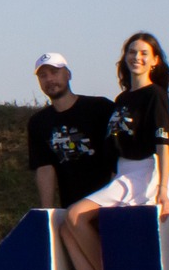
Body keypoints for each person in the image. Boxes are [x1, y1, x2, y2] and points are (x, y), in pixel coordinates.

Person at [64, 32, 169, 270]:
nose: (136, 57)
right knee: (66, 229)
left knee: (75, 215)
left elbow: (163, 144)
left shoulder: (155, 95)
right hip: (123, 174)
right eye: (131, 52)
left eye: (143, 53)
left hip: (145, 172)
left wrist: (164, 187)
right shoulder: (122, 100)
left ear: (154, 61)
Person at [26, 53, 119, 211]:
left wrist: (114, 197)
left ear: (68, 74)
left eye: (54, 72)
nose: (49, 79)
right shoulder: (38, 122)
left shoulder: (101, 108)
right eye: (43, 75)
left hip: (109, 201)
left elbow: (118, 152)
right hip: (71, 205)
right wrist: (47, 212)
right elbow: (45, 168)